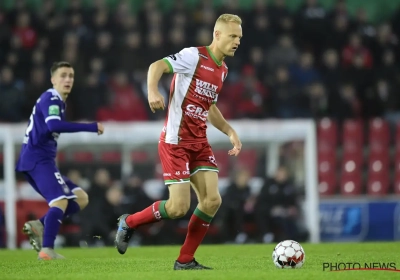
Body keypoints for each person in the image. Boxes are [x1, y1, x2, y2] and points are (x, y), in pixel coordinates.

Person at [114, 14, 243, 270]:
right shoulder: (194, 56)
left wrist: (229, 131)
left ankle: (185, 260)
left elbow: (210, 106)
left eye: (239, 37)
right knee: (177, 208)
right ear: (217, 35)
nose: (237, 41)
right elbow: (156, 66)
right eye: (232, 36)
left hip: (199, 143)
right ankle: (128, 223)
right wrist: (153, 90)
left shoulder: (223, 70)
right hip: (176, 142)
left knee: (212, 201)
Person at [16, 61, 104, 260]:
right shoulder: (51, 98)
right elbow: (53, 125)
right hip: (37, 159)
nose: (68, 79)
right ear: (53, 79)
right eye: (63, 75)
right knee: (61, 201)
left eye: (71, 76)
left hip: (41, 160)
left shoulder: (58, 101)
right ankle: (47, 250)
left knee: (80, 197)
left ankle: (40, 224)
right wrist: (90, 127)